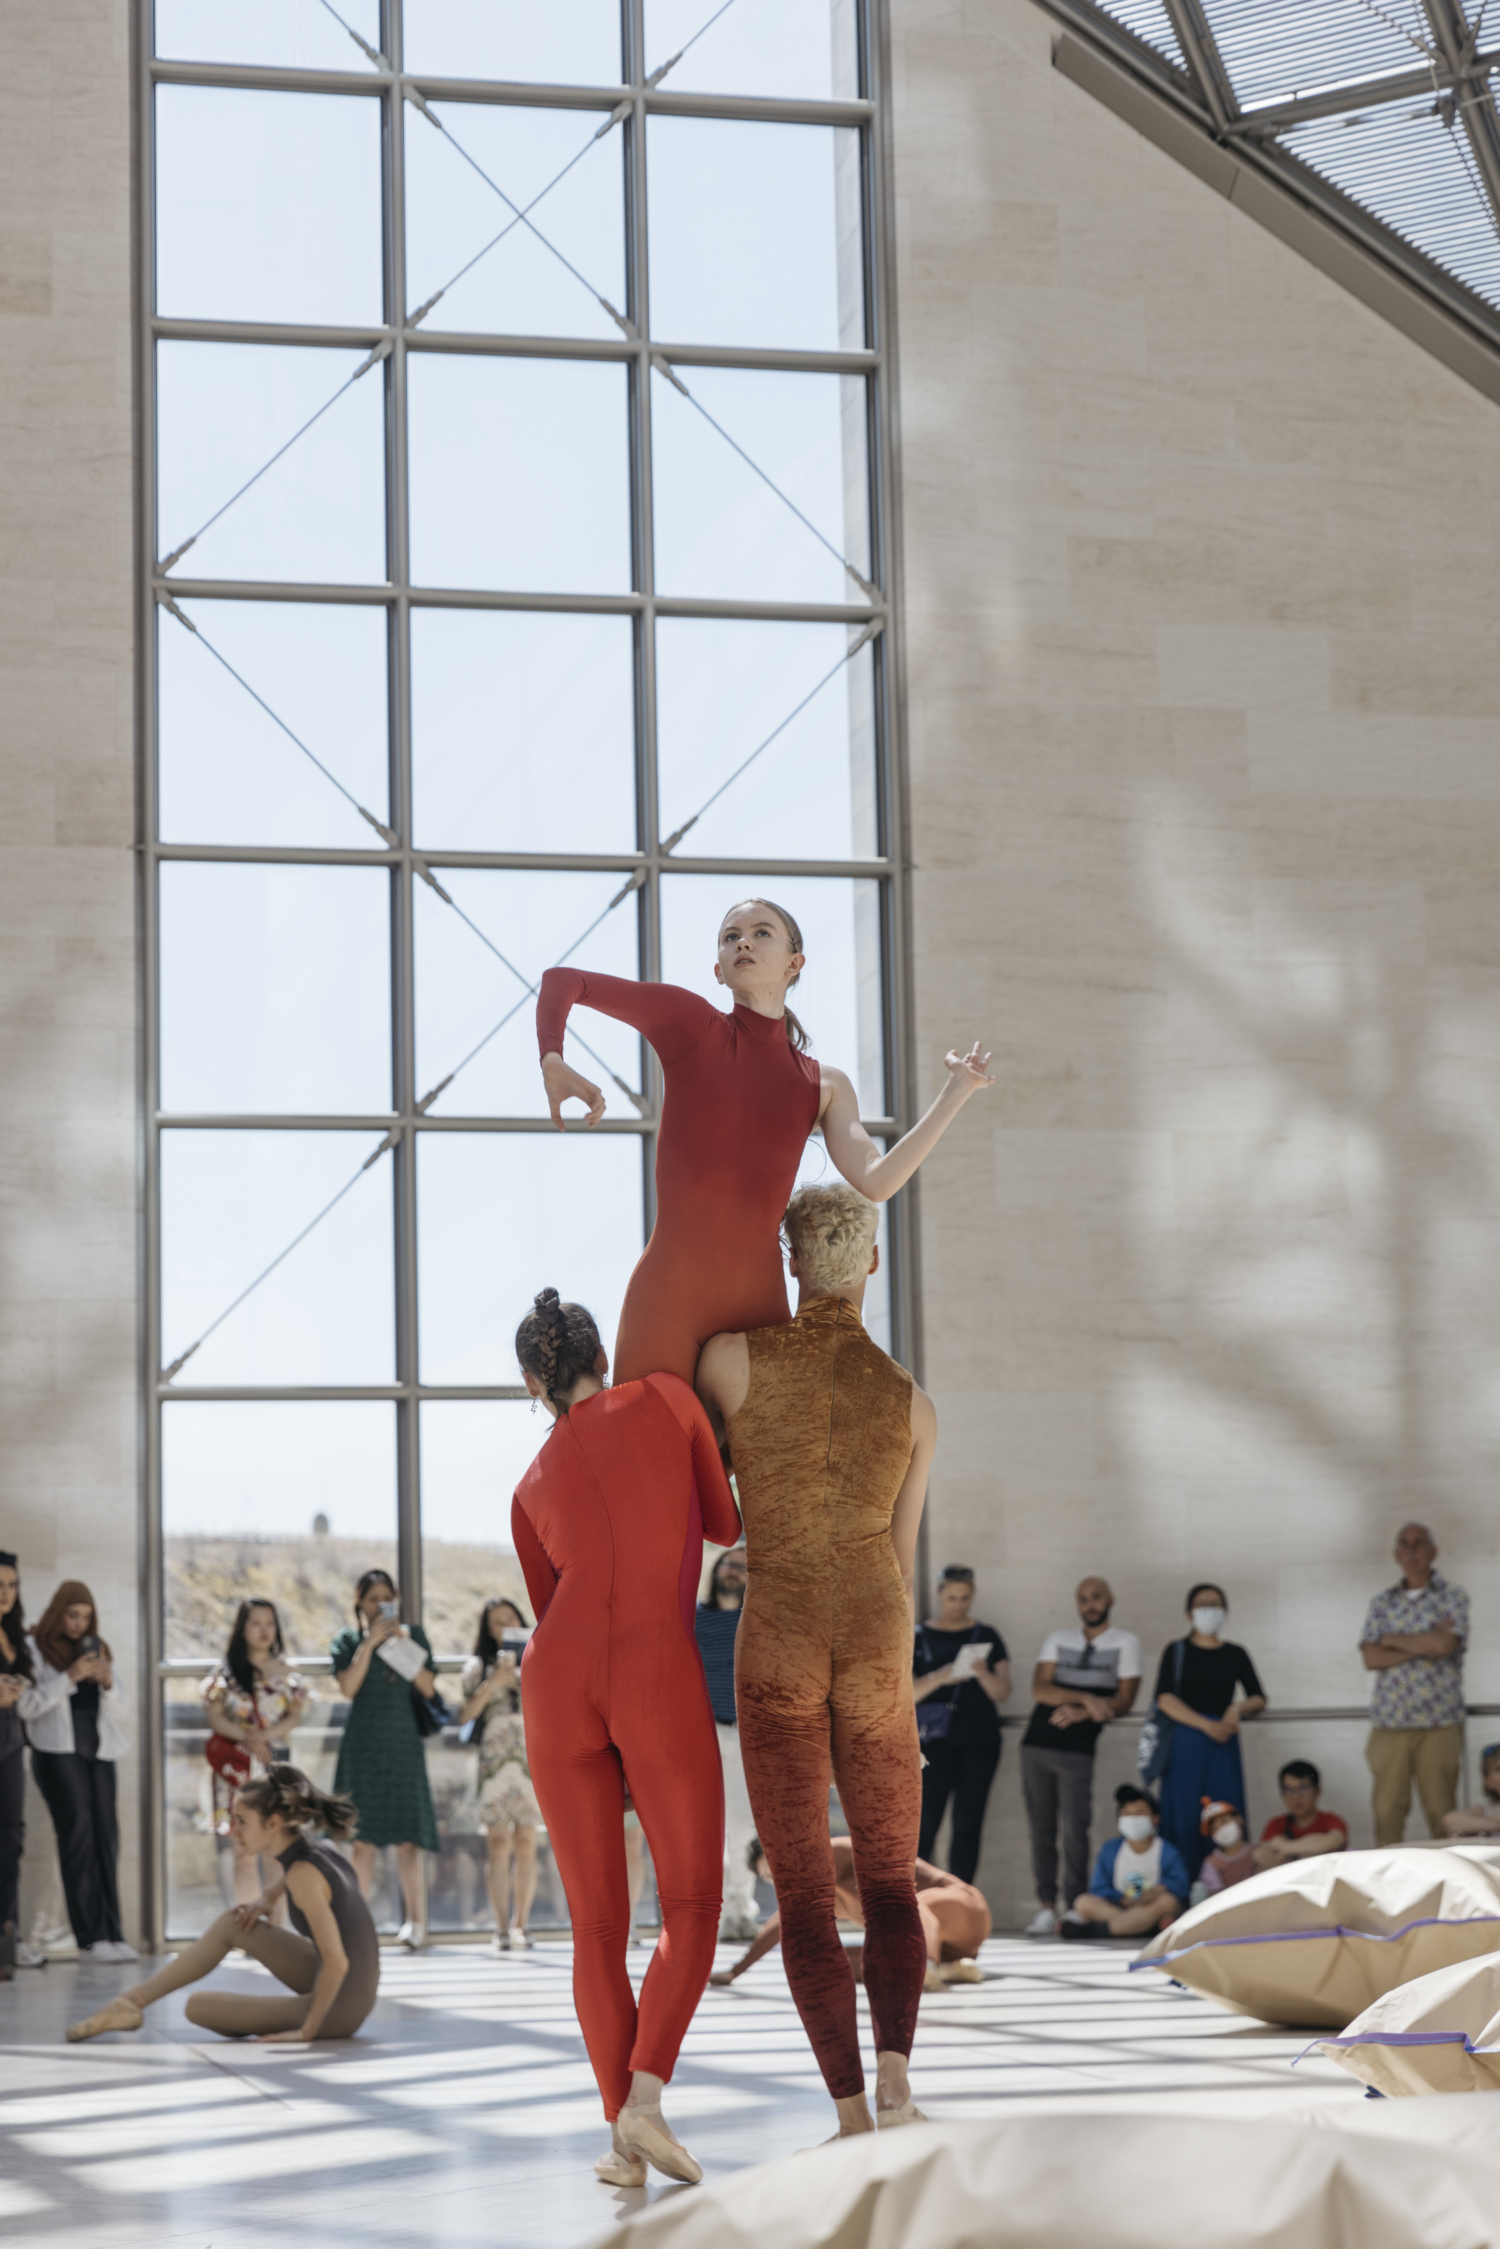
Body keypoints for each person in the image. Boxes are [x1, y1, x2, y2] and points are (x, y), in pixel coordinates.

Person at [697, 1184, 937, 2139]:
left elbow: (703, 1479)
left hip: (782, 1629)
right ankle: (896, 2080)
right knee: (889, 1881)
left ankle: (846, 2110)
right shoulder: (914, 1403)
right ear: (872, 1264)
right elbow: (904, 1559)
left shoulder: (730, 1361)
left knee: (801, 1889)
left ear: (791, 1261)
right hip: (878, 1635)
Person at [536, 897, 993, 1384]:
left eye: (761, 932)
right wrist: (552, 1059)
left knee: (764, 1462)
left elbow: (877, 1181)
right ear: (718, 969)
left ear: (795, 964)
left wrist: (955, 1092)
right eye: (731, 937)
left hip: (759, 1311)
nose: (743, 942)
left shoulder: (824, 1086)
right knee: (643, 1457)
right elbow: (563, 981)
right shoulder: (690, 1024)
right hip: (666, 1298)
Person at [511, 1286, 742, 2190]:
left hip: (557, 1682)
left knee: (596, 1927)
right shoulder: (668, 1401)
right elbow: (724, 1525)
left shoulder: (526, 1486)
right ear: (605, 1354)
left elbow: (547, 1606)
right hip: (656, 1665)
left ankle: (621, 2143)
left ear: (534, 1383)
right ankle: (642, 2103)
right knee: (691, 1906)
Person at [66, 1766, 379, 2044]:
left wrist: (307, 2031)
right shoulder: (320, 1852)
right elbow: (302, 1883)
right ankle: (128, 2004)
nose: (235, 1831)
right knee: (235, 1922)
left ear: (273, 1822)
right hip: (354, 1988)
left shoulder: (302, 1875)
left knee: (198, 2007)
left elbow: (337, 1963)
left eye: (241, 1821)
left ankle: (129, 2006)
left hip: (342, 2007)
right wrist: (267, 1897)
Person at [1019, 1576, 1142, 1936]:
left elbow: (1123, 1701)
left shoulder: (1126, 1643)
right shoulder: (1059, 1639)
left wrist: (1082, 1712)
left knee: (1075, 1829)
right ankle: (1045, 1906)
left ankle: (1074, 1906)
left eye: (1097, 1597)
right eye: (1084, 1599)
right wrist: (1085, 1697)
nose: (1090, 1604)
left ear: (1110, 1600)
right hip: (1035, 1744)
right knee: (1041, 1830)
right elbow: (1040, 1690)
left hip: (1078, 1751)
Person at [712, 1836, 990, 1993]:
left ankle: (926, 1966)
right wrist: (735, 1972)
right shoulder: (815, 1892)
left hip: (962, 1911)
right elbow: (782, 1921)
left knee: (910, 1904)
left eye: (778, 1870)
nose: (780, 1881)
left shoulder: (835, 1852)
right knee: (823, 1962)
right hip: (939, 1946)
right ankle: (949, 1968)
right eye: (770, 1879)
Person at [330, 1569, 439, 1949]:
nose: (380, 1604)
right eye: (372, 1598)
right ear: (359, 1602)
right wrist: (369, 1645)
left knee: (409, 1839)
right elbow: (348, 1687)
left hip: (403, 1744)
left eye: (386, 1597)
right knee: (363, 1840)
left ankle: (416, 1922)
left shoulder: (413, 1636)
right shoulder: (348, 1640)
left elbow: (427, 1686)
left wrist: (402, 1644)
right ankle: (359, 1925)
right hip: (364, 1745)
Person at [25, 1581, 134, 1960]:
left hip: (99, 1751)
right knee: (79, 1837)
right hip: (57, 1754)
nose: (79, 1624)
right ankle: (90, 1938)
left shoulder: (98, 1649)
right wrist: (69, 1676)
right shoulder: (35, 1648)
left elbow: (123, 1710)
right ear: (58, 1612)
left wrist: (106, 1682)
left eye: (86, 1616)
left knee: (107, 1836)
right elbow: (28, 1706)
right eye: (73, 1615)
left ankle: (114, 1934)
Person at [1360, 1522, 1468, 1846]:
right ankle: (1385, 1890)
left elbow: (1443, 1647)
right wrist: (1425, 1638)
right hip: (1390, 1723)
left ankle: (1450, 1885)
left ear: (1433, 1551)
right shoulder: (1382, 1603)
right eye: (1404, 1544)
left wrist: (1393, 1640)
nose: (1411, 1550)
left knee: (1443, 1814)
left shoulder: (1453, 1597)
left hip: (1439, 1722)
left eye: (1419, 1543)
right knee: (1386, 1813)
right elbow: (1371, 1658)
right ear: (1395, 1554)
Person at [1151, 1583, 1266, 1884]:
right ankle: (1181, 1891)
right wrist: (1204, 1724)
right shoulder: (1176, 1650)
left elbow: (1258, 1697)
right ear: (1190, 1613)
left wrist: (1236, 1709)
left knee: (1226, 1812)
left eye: (1215, 1604)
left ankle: (1232, 1887)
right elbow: (1164, 1698)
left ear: (1225, 1611)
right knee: (1184, 1815)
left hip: (1223, 1744)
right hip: (1185, 1742)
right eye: (1203, 1604)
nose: (1209, 1610)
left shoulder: (1235, 1653)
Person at [201, 1599, 309, 1906]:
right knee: (243, 1850)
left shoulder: (288, 1671)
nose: (264, 1631)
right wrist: (248, 1737)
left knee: (278, 1849)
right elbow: (215, 1716)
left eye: (269, 1623)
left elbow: (295, 1716)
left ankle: (276, 1928)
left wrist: (266, 1736)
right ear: (242, 1628)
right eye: (256, 1623)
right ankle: (250, 1927)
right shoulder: (227, 1671)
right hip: (236, 1766)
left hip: (274, 1766)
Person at [912, 1567, 1009, 1884]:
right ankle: (919, 1898)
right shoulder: (919, 1637)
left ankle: (961, 1896)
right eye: (951, 1597)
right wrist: (944, 1675)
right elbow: (906, 1694)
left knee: (968, 1823)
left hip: (979, 1742)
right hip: (931, 1745)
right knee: (925, 1822)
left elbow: (1002, 1693)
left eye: (964, 1598)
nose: (958, 1604)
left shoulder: (987, 1635)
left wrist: (980, 1672)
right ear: (940, 1595)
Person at [457, 1597, 541, 1954]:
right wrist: (493, 1682)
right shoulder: (476, 1667)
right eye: (496, 1621)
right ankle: (500, 1926)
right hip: (494, 1756)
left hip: (531, 1752)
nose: (505, 1625)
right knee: (497, 1844)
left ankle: (522, 1924)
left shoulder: (540, 1657)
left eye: (511, 1618)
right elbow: (464, 1715)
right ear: (487, 1630)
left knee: (527, 1841)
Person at [694, 1545, 760, 1943]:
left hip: (745, 1735)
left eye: (742, 1567)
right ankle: (717, 1914)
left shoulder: (755, 1620)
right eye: (729, 1564)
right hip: (702, 1734)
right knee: (708, 1832)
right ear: (716, 1571)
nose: (734, 1571)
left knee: (741, 1827)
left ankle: (742, 1910)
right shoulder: (694, 1619)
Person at [1060, 1784, 1189, 1940]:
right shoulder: (1110, 1850)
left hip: (1152, 1905)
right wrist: (1121, 1899)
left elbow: (1181, 1883)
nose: (1132, 1818)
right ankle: (1142, 1927)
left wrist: (1158, 1890)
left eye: (1140, 1812)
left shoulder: (1167, 1851)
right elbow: (1098, 1887)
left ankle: (1098, 1931)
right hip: (1119, 1907)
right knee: (1083, 1902)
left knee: (1168, 1903)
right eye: (1126, 1813)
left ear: (1155, 1818)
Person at [0, 1554, 43, 1967]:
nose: (6, 1593)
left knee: (11, 1840)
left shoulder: (14, 1635)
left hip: (11, 1746)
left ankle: (7, 1937)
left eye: (12, 1584)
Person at [1254, 1760, 1350, 1866]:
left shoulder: (1332, 1820)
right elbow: (1259, 1853)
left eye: (1303, 1788)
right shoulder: (1276, 1824)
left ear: (1317, 1791)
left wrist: (1285, 1847)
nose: (1296, 1796)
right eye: (1288, 1790)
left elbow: (1333, 1841)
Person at [1197, 1800, 1258, 1895]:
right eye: (1214, 1828)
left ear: (1239, 1820)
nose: (1220, 1829)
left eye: (1223, 1821)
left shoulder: (1257, 1852)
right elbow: (1215, 1898)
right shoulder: (1212, 1863)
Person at [1443, 1743, 1500, 1837]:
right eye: (1498, 1769)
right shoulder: (1486, 1810)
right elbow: (1449, 1820)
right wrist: (1494, 1824)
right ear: (1487, 1782)